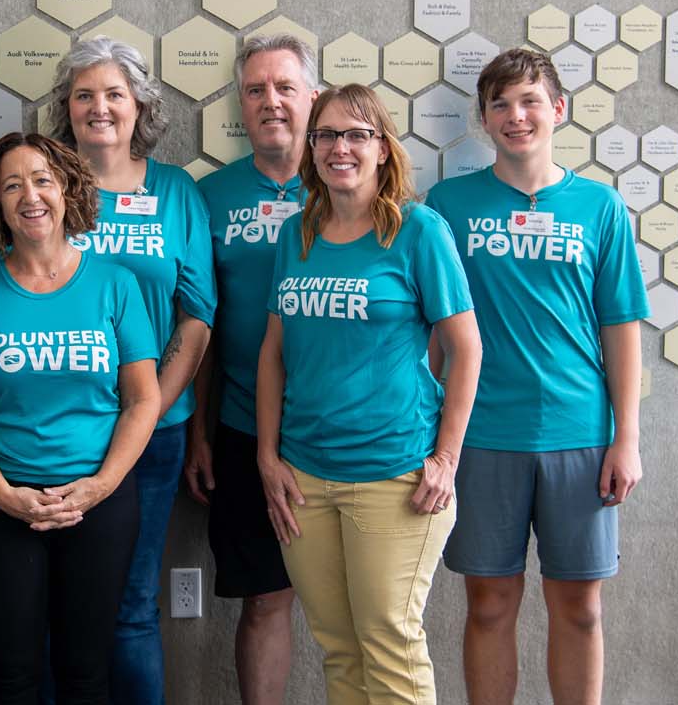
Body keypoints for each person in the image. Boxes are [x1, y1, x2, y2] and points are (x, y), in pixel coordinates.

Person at [424, 49, 648, 705]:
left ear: (557, 109)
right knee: (489, 602)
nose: (515, 116)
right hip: (482, 434)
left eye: (528, 101)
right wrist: (429, 435)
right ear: (484, 119)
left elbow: (621, 324)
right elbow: (434, 329)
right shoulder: (447, 204)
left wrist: (626, 437)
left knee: (579, 605)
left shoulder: (600, 207)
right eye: (499, 103)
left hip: (580, 436)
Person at [255, 82, 482, 705]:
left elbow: (466, 350)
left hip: (394, 478)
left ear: (382, 148)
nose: (339, 148)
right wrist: (268, 457)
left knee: (389, 642)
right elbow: (274, 354)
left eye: (357, 134)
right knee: (338, 646)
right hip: (304, 479)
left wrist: (446, 459)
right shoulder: (296, 235)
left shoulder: (417, 231)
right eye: (326, 135)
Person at [0, 131, 163, 705]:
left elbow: (142, 399)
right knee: (11, 674)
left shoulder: (116, 284)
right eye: (12, 185)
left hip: (100, 501)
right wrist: (1, 493)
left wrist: (99, 487)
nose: (29, 196)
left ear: (67, 190)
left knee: (87, 672)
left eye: (42, 179)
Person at [46, 36, 215, 704]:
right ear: (66, 106)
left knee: (132, 602)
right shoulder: (46, 184)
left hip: (156, 431)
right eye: (84, 94)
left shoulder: (175, 191)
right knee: (61, 602)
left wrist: (148, 409)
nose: (99, 107)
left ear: (139, 103)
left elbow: (198, 314)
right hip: (59, 427)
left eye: (114, 93)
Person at [182, 34, 317, 705]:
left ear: (311, 97)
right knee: (265, 597)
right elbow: (198, 324)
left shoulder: (349, 182)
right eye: (257, 89)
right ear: (241, 101)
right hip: (239, 428)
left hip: (340, 432)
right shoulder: (209, 196)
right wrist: (198, 432)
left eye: (285, 87)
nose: (271, 102)